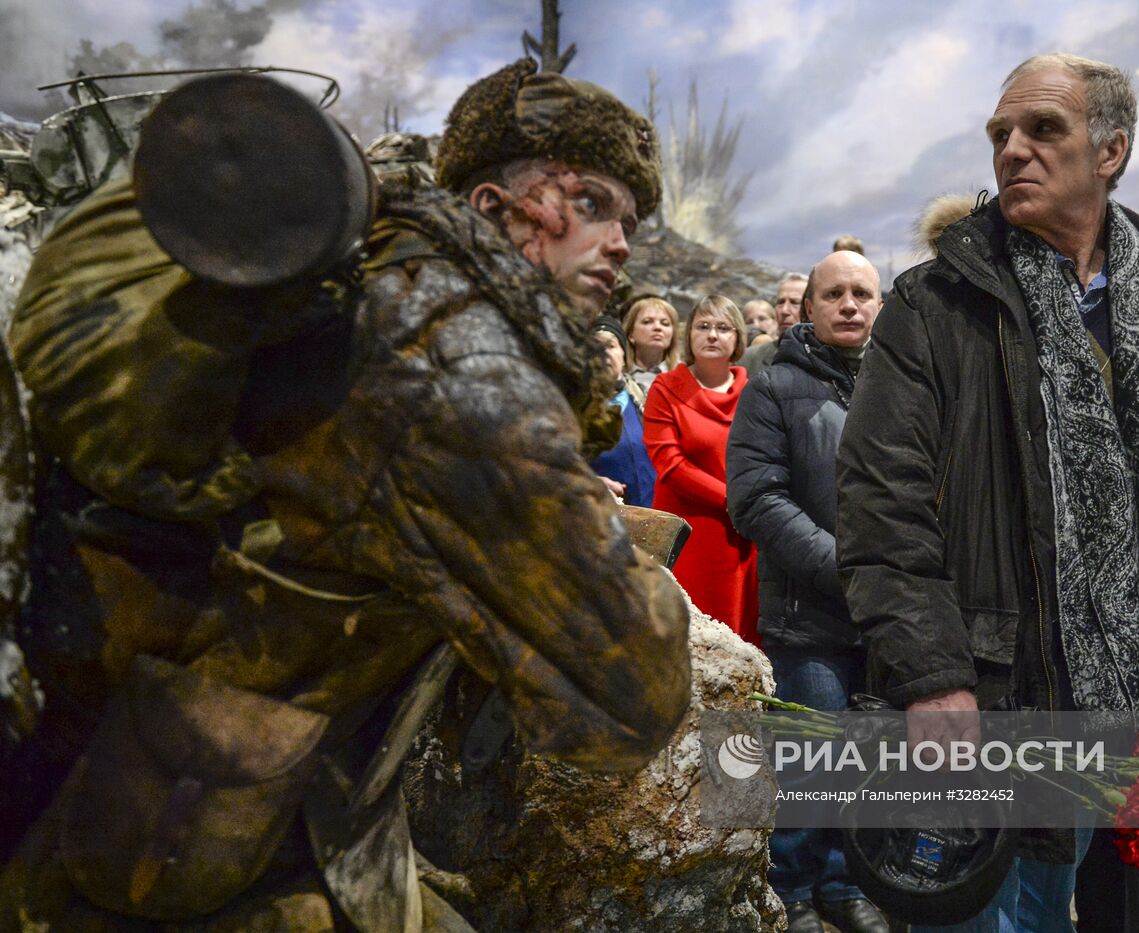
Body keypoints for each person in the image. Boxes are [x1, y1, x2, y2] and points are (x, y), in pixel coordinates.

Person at [1, 57, 691, 927]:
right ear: (488, 206)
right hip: (204, 861)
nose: (622, 242)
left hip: (240, 806)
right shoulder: (455, 359)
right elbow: (632, 699)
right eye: (589, 202)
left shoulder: (380, 285)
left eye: (629, 219)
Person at [837, 52, 1139, 931]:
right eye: (1000, 134)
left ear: (1111, 151)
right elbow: (880, 503)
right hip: (993, 697)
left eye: (1042, 129)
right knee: (993, 913)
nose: (1012, 149)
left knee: (1097, 907)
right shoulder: (935, 303)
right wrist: (933, 676)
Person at [728, 250, 886, 933]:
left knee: (869, 762)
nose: (850, 304)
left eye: (863, 293)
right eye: (835, 294)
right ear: (810, 307)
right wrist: (845, 568)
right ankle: (788, 890)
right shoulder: (773, 387)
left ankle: (845, 883)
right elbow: (758, 498)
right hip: (810, 616)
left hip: (888, 617)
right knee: (812, 766)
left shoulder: (901, 383)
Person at [646, 295, 758, 643]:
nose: (712, 335)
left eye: (723, 328)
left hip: (741, 535)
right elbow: (670, 463)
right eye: (703, 327)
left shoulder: (755, 391)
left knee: (740, 639)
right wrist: (733, 499)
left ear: (737, 338)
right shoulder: (665, 388)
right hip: (686, 534)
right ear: (689, 336)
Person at [590, 314, 655, 507]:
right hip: (603, 517)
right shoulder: (573, 407)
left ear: (623, 355)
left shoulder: (646, 400)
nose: (604, 353)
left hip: (656, 517)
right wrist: (594, 482)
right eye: (595, 347)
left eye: (610, 346)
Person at [741, 273, 807, 374]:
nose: (784, 311)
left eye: (795, 302)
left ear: (810, 308)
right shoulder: (749, 360)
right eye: (780, 302)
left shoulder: (829, 359)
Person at [622, 295, 681, 394]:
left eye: (665, 323)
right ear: (631, 334)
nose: (658, 327)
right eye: (647, 322)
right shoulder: (617, 374)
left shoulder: (686, 375)